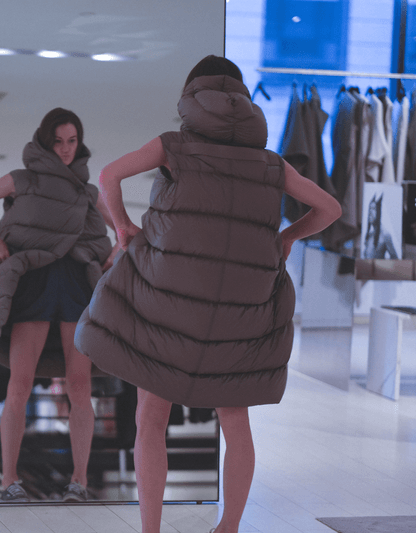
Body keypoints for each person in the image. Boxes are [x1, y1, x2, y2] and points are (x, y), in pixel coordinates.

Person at [74, 56, 342, 533]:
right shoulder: (271, 164)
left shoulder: (174, 145)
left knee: (151, 417)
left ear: (191, 97)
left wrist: (122, 228)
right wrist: (287, 238)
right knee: (234, 421)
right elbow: (329, 208)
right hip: (239, 312)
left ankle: (151, 529)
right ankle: (229, 527)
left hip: (167, 301)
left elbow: (110, 175)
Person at [0, 108, 119, 503]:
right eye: (58, 141)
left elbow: (125, 232)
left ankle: (78, 481)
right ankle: (7, 481)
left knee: (80, 387)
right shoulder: (22, 180)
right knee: (20, 384)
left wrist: (113, 255)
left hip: (76, 287)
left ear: (79, 143)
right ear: (46, 141)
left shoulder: (88, 192)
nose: (65, 149)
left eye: (72, 140)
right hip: (34, 284)